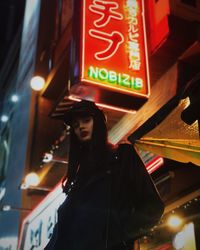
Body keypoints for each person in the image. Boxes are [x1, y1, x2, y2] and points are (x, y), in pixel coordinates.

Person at [44, 100, 164, 250]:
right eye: (75, 125)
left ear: (98, 122)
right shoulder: (79, 178)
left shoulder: (122, 156)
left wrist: (119, 235)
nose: (80, 126)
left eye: (86, 120)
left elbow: (152, 206)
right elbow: (64, 231)